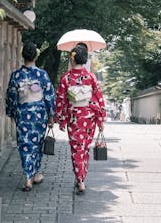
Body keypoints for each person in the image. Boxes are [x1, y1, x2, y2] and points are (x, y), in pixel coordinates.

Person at [55, 45, 106, 194]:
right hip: (89, 117)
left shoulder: (66, 77)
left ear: (72, 59)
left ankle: (80, 179)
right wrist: (100, 119)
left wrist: (61, 119)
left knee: (76, 149)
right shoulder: (91, 77)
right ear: (84, 59)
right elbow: (99, 98)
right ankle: (82, 177)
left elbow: (61, 100)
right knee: (84, 148)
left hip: (74, 118)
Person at [6, 41, 55, 191]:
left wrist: (12, 112)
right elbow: (49, 96)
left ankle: (29, 176)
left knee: (25, 145)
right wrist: (51, 115)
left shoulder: (16, 75)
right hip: (39, 114)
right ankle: (34, 173)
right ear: (35, 56)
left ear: (23, 56)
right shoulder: (42, 75)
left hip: (23, 113)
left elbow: (11, 96)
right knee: (37, 144)